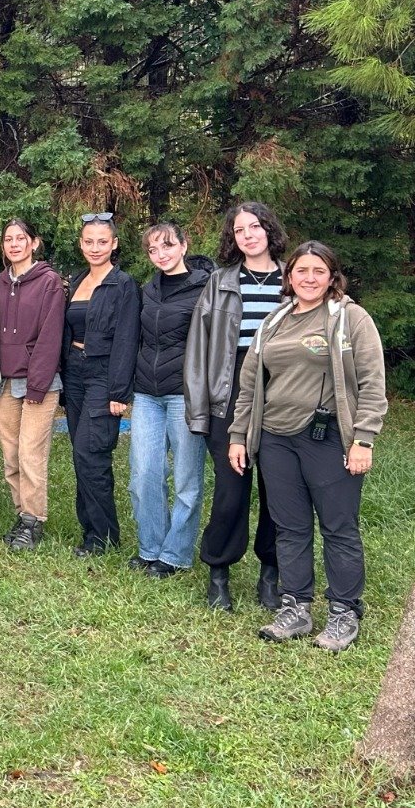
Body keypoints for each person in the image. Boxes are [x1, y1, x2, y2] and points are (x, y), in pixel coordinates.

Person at [230, 242, 387, 652]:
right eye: (302, 270)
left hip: (330, 437)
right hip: (276, 441)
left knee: (339, 526)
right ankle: (295, 607)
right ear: (290, 276)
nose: (310, 278)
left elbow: (372, 383)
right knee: (290, 527)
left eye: (319, 271)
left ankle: (343, 612)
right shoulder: (274, 321)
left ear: (332, 276)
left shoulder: (350, 318)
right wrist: (237, 434)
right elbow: (250, 385)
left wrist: (364, 439)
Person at [186, 201, 287, 611]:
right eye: (240, 230)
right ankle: (219, 573)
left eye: (255, 227)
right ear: (233, 238)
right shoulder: (221, 282)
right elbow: (198, 348)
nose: (248, 235)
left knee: (278, 492)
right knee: (231, 491)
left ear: (269, 230)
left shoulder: (292, 278)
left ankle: (271, 574)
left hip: (282, 398)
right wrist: (200, 408)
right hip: (229, 397)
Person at [128, 222, 212, 578]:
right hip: (147, 393)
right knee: (144, 473)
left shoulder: (206, 289)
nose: (160, 255)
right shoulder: (148, 290)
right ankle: (150, 548)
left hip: (185, 395)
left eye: (167, 246)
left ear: (183, 245)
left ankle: (175, 554)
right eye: (153, 250)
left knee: (186, 479)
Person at [63, 213, 140, 557]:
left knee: (91, 453)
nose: (95, 248)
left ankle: (103, 538)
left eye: (102, 241)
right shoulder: (76, 280)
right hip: (74, 374)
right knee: (80, 457)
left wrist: (118, 392)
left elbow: (127, 339)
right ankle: (90, 529)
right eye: (89, 241)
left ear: (114, 244)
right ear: (81, 244)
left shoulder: (123, 284)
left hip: (103, 374)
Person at [0, 218, 66, 551]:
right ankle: (22, 514)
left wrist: (37, 385)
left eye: (20, 238)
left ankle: (34, 520)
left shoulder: (49, 282)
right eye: (8, 239)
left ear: (33, 242)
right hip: (5, 381)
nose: (14, 244)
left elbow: (50, 336)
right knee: (11, 455)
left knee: (31, 454)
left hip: (38, 383)